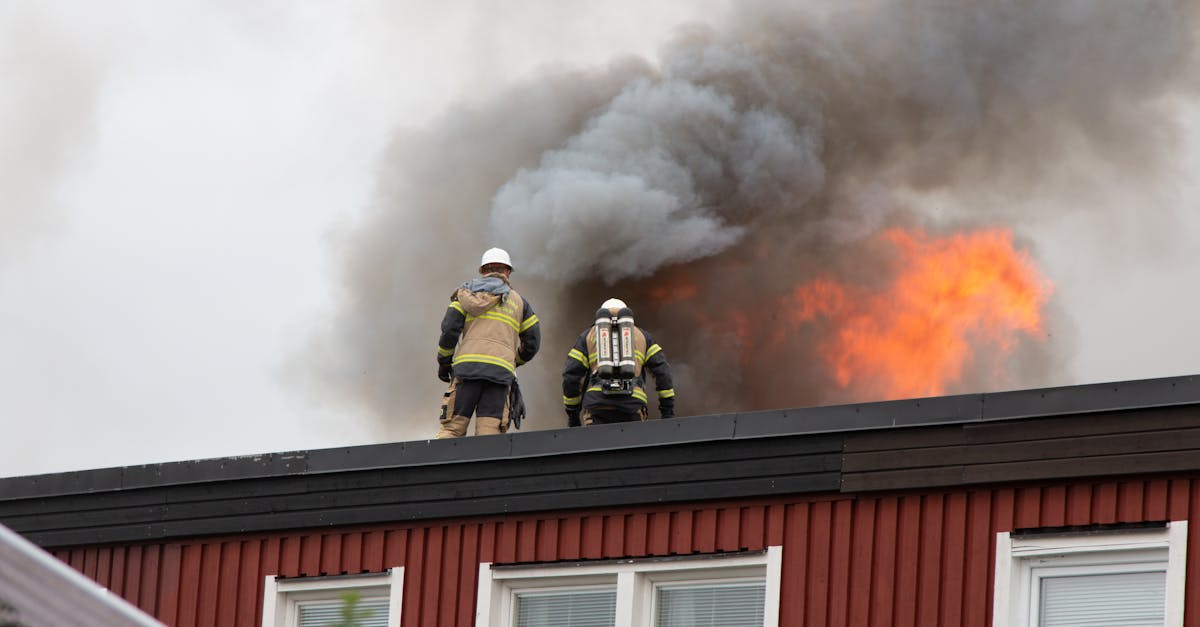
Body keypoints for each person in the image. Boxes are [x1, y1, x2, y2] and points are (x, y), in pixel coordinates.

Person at [435, 247, 540, 438]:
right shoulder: (520, 303)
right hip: (499, 375)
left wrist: (444, 363)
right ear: (507, 271)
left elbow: (449, 330)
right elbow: (532, 343)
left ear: (483, 270)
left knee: (452, 430)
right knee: (488, 438)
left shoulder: (463, 295)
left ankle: (436, 468)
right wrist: (513, 360)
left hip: (466, 372)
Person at [562, 298, 675, 426]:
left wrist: (573, 415)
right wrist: (667, 412)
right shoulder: (643, 336)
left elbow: (571, 376)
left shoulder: (587, 337)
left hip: (597, 406)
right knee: (633, 445)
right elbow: (662, 372)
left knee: (597, 445)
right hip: (632, 406)